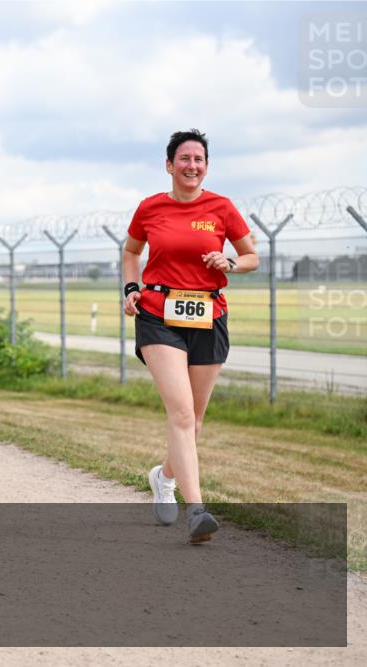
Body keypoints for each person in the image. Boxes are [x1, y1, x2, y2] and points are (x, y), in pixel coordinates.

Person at [123, 129, 259, 544]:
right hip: (158, 315)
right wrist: (131, 289)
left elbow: (252, 257)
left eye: (199, 159)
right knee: (180, 414)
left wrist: (230, 262)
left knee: (194, 422)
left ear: (206, 166)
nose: (192, 166)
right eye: (184, 158)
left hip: (208, 314)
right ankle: (197, 509)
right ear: (169, 165)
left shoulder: (222, 207)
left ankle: (164, 477)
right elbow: (131, 252)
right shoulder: (150, 208)